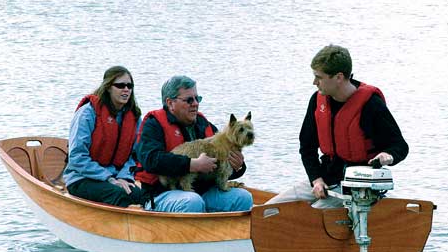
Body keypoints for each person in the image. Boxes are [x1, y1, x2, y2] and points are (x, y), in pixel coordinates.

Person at [265, 44, 408, 208]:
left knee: (312, 219)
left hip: (357, 188)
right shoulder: (317, 101)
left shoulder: (371, 105)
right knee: (266, 211)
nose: (314, 82)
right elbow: (307, 147)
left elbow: (400, 146)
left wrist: (387, 156)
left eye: (319, 77)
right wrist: (316, 179)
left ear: (339, 77)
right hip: (325, 179)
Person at [134, 75, 253, 213]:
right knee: (192, 202)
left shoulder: (204, 124)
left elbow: (221, 170)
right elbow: (151, 160)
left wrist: (238, 166)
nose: (195, 103)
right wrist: (192, 165)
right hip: (161, 193)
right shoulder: (153, 125)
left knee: (243, 198)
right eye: (189, 100)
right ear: (170, 103)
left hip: (201, 191)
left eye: (198, 98)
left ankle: (228, 234)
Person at [63, 66, 148, 207]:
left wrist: (124, 177)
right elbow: (77, 157)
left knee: (142, 196)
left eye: (129, 86)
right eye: (120, 85)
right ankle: (112, 228)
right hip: (82, 178)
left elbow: (136, 156)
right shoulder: (87, 113)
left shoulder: (133, 117)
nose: (126, 89)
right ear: (108, 87)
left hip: (117, 177)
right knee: (118, 194)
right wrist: (108, 178)